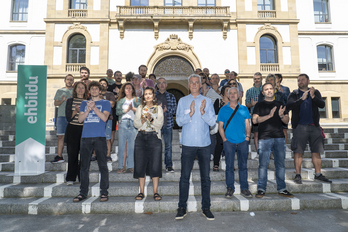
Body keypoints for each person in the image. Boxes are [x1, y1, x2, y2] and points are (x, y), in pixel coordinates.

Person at [175, 74, 216, 221]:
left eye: (196, 82)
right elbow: (179, 121)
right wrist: (190, 114)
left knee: (206, 178)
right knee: (184, 177)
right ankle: (181, 207)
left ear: (200, 85)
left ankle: (206, 207)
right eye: (191, 82)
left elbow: (212, 123)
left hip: (204, 145)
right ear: (188, 85)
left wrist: (203, 113)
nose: (193, 84)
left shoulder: (208, 101)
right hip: (188, 144)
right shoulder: (182, 101)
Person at [287, 74, 331, 184]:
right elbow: (289, 106)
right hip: (300, 127)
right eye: (298, 80)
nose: (300, 82)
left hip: (314, 126)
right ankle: (298, 175)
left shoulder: (315, 92)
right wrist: (301, 100)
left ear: (308, 81)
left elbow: (322, 105)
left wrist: (313, 97)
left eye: (302, 80)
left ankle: (318, 174)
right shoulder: (294, 94)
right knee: (298, 151)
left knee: (316, 151)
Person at [252, 83, 294, 198]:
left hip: (279, 138)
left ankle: (282, 188)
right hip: (264, 138)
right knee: (263, 165)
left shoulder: (280, 104)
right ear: (263, 92)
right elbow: (254, 120)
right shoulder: (259, 105)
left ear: (274, 90)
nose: (269, 91)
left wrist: (281, 116)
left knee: (280, 165)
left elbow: (286, 121)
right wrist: (269, 116)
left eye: (271, 89)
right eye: (266, 89)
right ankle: (261, 188)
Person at [73, 81, 111, 202]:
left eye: (96, 89)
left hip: (100, 137)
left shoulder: (105, 103)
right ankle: (83, 192)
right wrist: (88, 110)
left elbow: (104, 118)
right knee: (84, 166)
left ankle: (104, 192)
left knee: (103, 166)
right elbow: (79, 120)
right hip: (86, 137)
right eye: (92, 89)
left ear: (100, 91)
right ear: (89, 91)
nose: (94, 91)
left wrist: (94, 108)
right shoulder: (84, 103)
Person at [218, 87, 252, 198]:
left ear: (238, 95)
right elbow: (220, 126)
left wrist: (247, 137)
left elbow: (247, 124)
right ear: (227, 95)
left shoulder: (244, 109)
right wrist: (224, 140)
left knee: (243, 166)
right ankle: (230, 188)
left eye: (235, 93)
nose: (232, 95)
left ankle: (245, 188)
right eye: (230, 93)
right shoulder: (223, 110)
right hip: (229, 142)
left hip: (242, 141)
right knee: (229, 166)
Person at [133, 87, 164, 201]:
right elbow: (136, 124)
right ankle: (141, 192)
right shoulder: (140, 108)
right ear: (144, 96)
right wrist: (143, 120)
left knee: (155, 165)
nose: (148, 96)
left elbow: (159, 125)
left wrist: (151, 119)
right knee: (140, 164)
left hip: (154, 137)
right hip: (141, 137)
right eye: (146, 94)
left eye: (150, 94)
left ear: (153, 95)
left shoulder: (158, 108)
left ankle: (155, 192)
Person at [65, 81, 88, 185]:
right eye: (78, 87)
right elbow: (68, 118)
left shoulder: (88, 101)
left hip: (85, 130)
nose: (80, 89)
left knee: (84, 155)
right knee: (72, 154)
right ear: (75, 89)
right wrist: (75, 111)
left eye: (82, 88)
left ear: (85, 90)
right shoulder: (70, 101)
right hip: (72, 130)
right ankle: (71, 178)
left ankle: (82, 177)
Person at [116, 83, 141, 173]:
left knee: (132, 145)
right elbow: (117, 112)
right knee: (122, 144)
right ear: (124, 90)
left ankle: (131, 166)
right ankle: (121, 166)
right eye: (127, 88)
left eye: (130, 88)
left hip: (133, 122)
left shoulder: (137, 99)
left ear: (133, 90)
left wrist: (132, 109)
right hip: (123, 122)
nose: (128, 90)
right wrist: (126, 110)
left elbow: (141, 110)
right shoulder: (120, 100)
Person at [155, 77, 177, 172]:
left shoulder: (171, 96)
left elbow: (174, 109)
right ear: (157, 85)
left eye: (164, 83)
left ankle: (169, 165)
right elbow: (149, 109)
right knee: (156, 146)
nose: (162, 84)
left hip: (167, 125)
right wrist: (158, 111)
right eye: (160, 83)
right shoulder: (153, 96)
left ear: (166, 85)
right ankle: (156, 165)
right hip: (156, 126)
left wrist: (166, 110)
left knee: (168, 146)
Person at [51, 74, 74, 163]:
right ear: (65, 80)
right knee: (61, 136)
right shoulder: (60, 91)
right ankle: (59, 156)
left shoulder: (75, 91)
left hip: (72, 116)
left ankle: (72, 156)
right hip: (61, 116)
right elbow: (55, 103)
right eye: (68, 79)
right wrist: (62, 100)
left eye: (71, 80)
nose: (69, 81)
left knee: (71, 137)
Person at [96, 78, 116, 162]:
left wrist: (102, 99)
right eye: (101, 83)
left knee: (108, 138)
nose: (102, 85)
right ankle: (96, 155)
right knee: (96, 137)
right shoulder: (95, 94)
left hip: (108, 118)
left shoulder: (110, 94)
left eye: (104, 83)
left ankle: (108, 155)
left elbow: (112, 104)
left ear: (107, 86)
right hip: (97, 119)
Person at [212, 85, 230, 171]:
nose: (229, 92)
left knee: (230, 145)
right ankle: (216, 164)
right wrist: (222, 108)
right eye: (227, 90)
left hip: (231, 127)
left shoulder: (233, 102)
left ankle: (230, 163)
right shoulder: (218, 101)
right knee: (219, 144)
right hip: (221, 126)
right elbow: (214, 111)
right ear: (223, 93)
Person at [245, 72, 263, 154]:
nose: (257, 80)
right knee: (256, 135)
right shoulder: (249, 91)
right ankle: (259, 152)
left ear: (261, 79)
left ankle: (267, 152)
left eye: (258, 78)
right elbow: (247, 104)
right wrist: (252, 104)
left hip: (265, 115)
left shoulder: (265, 89)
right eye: (255, 79)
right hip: (254, 116)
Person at [108, 71, 123, 154]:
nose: (118, 77)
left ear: (122, 77)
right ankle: (109, 149)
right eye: (117, 75)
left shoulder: (124, 87)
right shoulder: (110, 87)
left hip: (122, 111)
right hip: (112, 111)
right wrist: (115, 96)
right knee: (112, 130)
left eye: (120, 75)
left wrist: (119, 93)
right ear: (114, 77)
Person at [275, 73, 291, 144]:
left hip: (283, 111)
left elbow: (288, 100)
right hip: (274, 112)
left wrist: (282, 92)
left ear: (279, 79)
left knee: (284, 129)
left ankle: (285, 145)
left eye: (275, 78)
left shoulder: (286, 89)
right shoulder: (271, 89)